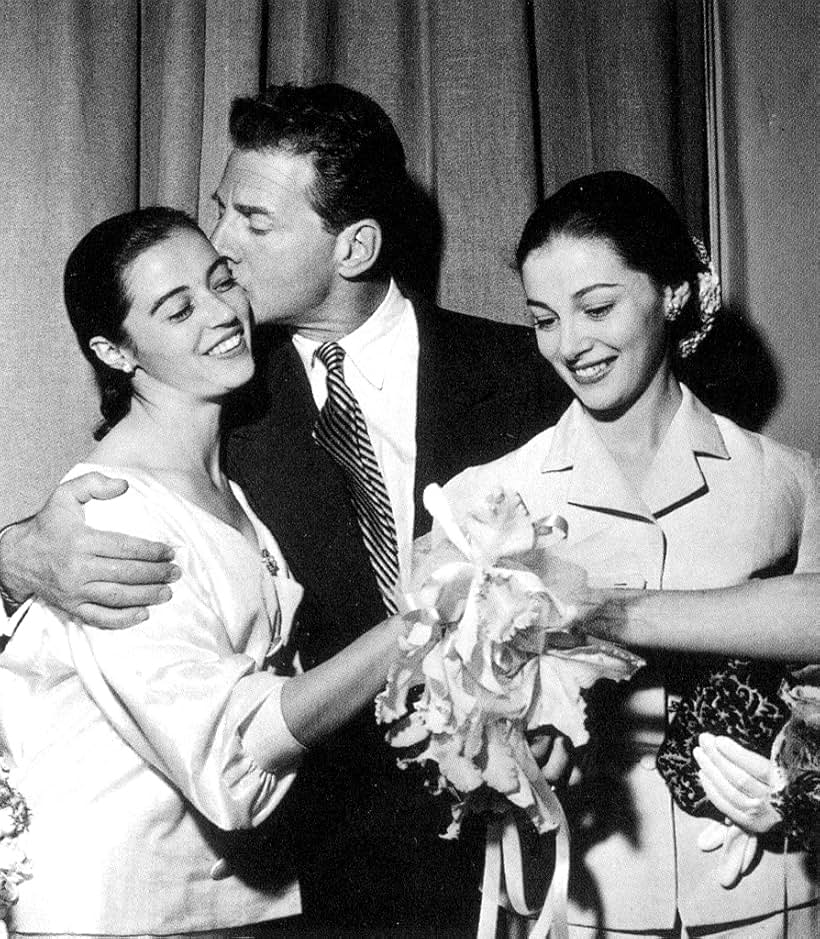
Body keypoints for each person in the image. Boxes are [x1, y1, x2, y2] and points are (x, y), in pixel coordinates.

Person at [0, 83, 569, 932]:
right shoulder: (210, 389)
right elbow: (108, 524)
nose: (220, 244)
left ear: (355, 245)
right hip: (311, 873)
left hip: (511, 856)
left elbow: (609, 568)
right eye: (222, 208)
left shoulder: (530, 371)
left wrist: (561, 711)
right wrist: (11, 553)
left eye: (253, 222)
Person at [0, 207, 412, 935]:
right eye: (177, 307)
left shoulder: (229, 484)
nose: (222, 313)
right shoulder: (113, 514)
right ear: (115, 350)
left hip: (220, 905)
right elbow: (229, 761)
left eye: (222, 281)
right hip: (117, 914)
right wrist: (416, 629)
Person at [440, 171, 818, 937]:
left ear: (674, 292)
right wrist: (511, 751)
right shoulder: (491, 493)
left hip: (764, 885)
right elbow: (455, 714)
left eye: (597, 307)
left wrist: (803, 767)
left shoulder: (786, 479)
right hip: (582, 888)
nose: (570, 344)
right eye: (545, 319)